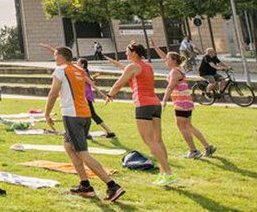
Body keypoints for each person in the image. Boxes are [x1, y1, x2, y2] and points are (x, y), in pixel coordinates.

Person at [44, 46, 125, 202]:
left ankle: (112, 185)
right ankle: (85, 185)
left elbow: (53, 93)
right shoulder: (79, 70)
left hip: (72, 115)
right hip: (85, 114)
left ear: (61, 57)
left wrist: (47, 114)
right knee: (68, 146)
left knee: (82, 152)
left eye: (55, 56)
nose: (54, 59)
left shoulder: (61, 70)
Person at [105, 42, 175, 185]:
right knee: (158, 140)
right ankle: (164, 173)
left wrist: (110, 95)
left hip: (143, 104)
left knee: (149, 141)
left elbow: (119, 83)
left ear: (135, 53)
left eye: (127, 51)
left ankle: (168, 173)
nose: (126, 54)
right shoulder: (147, 66)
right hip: (155, 103)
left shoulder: (133, 67)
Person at [152, 43, 215, 159]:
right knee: (189, 126)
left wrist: (164, 100)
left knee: (182, 127)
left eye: (167, 59)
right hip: (186, 102)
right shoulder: (178, 68)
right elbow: (165, 56)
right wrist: (155, 47)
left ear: (173, 60)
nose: (165, 60)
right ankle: (207, 147)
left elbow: (170, 87)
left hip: (181, 103)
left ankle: (194, 151)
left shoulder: (174, 72)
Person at [77, 59, 116, 139]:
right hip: (85, 96)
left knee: (92, 115)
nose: (77, 64)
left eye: (78, 63)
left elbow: (92, 85)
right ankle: (86, 133)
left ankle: (109, 132)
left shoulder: (83, 73)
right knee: (87, 114)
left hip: (86, 96)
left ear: (82, 65)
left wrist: (103, 95)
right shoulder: (84, 72)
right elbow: (91, 81)